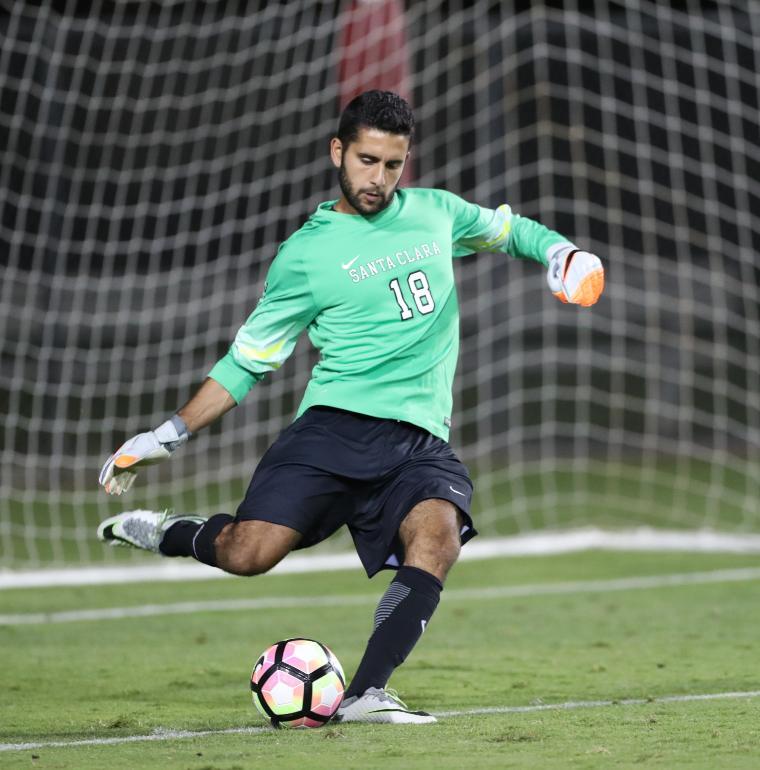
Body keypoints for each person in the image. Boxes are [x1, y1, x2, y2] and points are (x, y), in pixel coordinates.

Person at [97, 90, 604, 724]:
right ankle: (169, 533)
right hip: (332, 431)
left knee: (438, 536)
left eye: (393, 165)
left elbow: (512, 231)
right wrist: (164, 434)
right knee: (248, 554)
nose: (379, 179)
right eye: (367, 160)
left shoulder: (437, 213)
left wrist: (562, 254)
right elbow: (245, 363)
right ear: (338, 151)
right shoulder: (306, 256)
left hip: (418, 440)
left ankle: (365, 693)